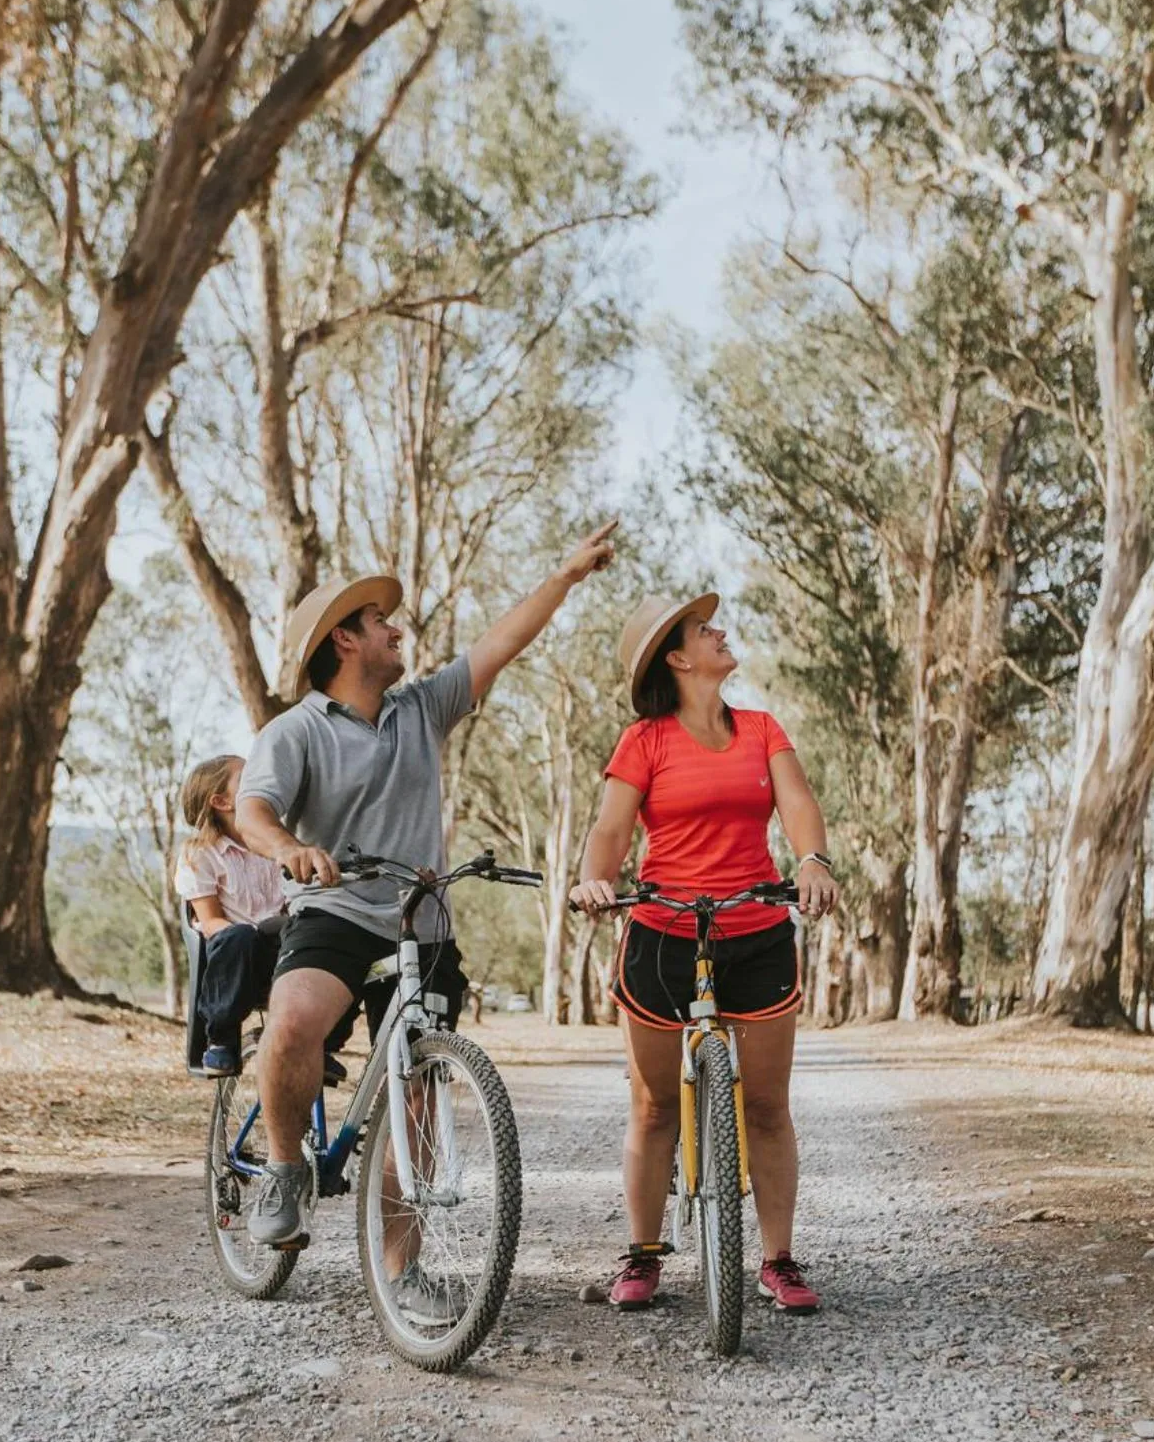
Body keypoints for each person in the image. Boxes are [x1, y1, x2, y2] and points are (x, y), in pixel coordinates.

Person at [235, 525, 618, 1299]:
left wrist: (567, 573)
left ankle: (404, 1271)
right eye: (382, 623)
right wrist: (290, 849)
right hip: (336, 911)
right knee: (293, 1023)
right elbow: (252, 811)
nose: (397, 629)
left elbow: (500, 643)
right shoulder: (297, 730)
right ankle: (282, 1171)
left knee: (418, 1094)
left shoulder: (421, 708)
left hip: (421, 922)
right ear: (345, 639)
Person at [570, 591, 839, 1314]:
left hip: (755, 929)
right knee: (654, 1107)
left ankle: (777, 1259)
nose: (720, 631)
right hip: (661, 932)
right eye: (702, 629)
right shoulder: (644, 740)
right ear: (678, 658)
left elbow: (799, 803)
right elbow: (610, 827)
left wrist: (812, 860)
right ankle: (643, 1252)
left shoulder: (760, 728)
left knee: (767, 1106)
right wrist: (597, 878)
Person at [174, 753, 286, 1074]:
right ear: (222, 801)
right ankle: (221, 1038)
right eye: (247, 778)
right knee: (239, 935)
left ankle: (323, 1040)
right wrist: (247, 933)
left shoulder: (275, 842)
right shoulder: (201, 853)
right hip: (234, 955)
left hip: (279, 947)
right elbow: (209, 921)